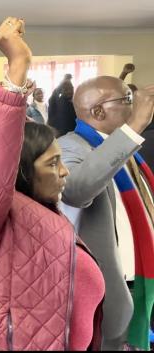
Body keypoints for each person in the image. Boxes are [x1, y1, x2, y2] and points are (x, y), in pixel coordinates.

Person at [0, 17, 104, 351]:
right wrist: (17, 68)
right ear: (21, 171)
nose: (64, 171)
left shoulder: (43, 214)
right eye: (52, 163)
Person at [59, 76, 154, 350]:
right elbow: (76, 189)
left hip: (142, 276)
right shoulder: (69, 146)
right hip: (114, 286)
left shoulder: (125, 146)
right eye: (127, 99)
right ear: (98, 111)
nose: (134, 105)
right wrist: (134, 126)